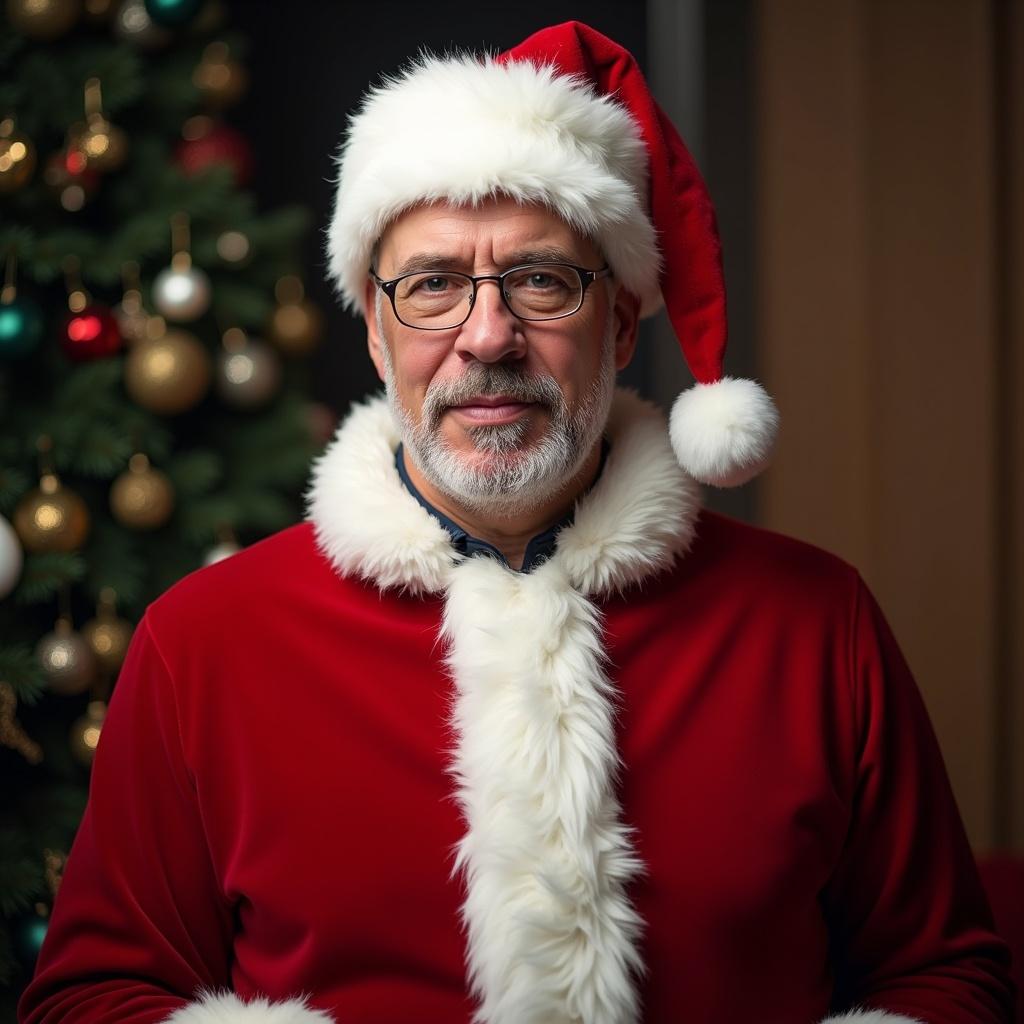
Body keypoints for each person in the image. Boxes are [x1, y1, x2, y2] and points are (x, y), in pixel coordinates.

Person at [17, 21, 1014, 1024]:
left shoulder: (814, 617)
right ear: (373, 327)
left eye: (540, 279)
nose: (486, 336)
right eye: (433, 285)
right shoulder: (203, 641)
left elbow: (948, 979)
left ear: (620, 321)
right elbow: (92, 997)